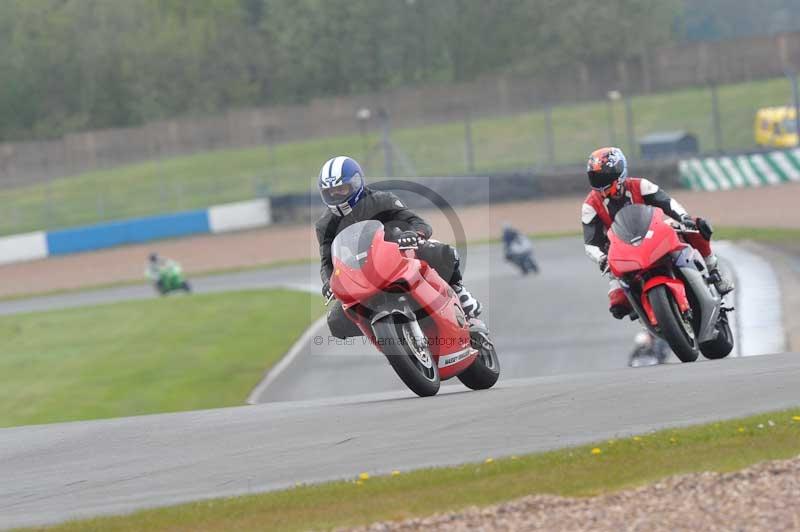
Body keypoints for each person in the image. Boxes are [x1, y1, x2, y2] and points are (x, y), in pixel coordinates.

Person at [316, 155, 482, 339]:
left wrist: (413, 234)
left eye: (342, 188)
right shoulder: (325, 224)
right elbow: (327, 261)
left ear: (356, 183)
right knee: (336, 321)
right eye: (331, 191)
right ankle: (387, 339)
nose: (337, 195)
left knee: (441, 252)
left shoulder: (381, 200)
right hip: (361, 273)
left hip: (396, 255)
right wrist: (329, 282)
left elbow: (416, 221)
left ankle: (459, 291)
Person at [581, 147, 734, 320]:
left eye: (603, 178)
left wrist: (683, 217)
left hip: (652, 232)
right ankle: (646, 316)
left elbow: (668, 203)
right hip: (621, 252)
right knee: (618, 304)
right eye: (595, 178)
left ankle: (714, 271)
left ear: (619, 173)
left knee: (699, 226)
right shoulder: (590, 205)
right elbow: (591, 243)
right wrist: (601, 258)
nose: (600, 184)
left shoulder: (641, 185)